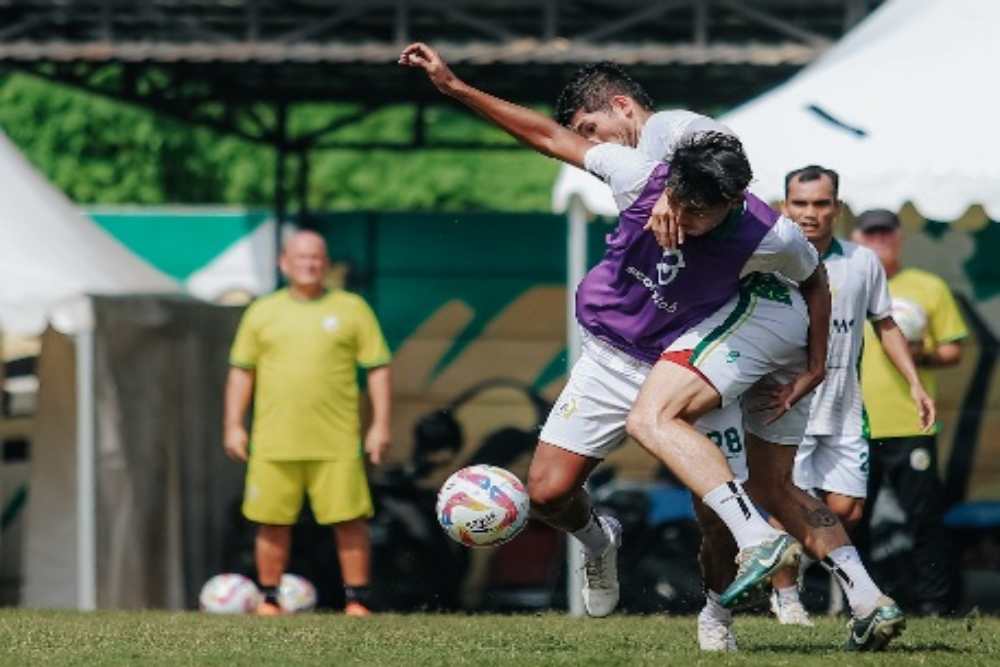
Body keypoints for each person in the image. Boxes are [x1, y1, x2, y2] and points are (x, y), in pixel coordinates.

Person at [399, 44, 849, 639]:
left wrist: (816, 364)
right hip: (610, 358)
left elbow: (729, 155)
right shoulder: (633, 172)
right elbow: (544, 137)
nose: (593, 141)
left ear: (619, 106)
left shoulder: (690, 154)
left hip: (689, 362)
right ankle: (597, 538)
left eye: (591, 127)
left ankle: (716, 618)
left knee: (715, 516)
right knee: (547, 492)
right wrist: (455, 88)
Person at [551, 62, 905, 652]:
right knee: (778, 489)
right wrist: (816, 365)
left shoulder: (668, 135)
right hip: (786, 351)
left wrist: (818, 366)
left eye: (821, 203)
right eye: (801, 201)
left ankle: (736, 581)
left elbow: (814, 279)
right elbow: (816, 282)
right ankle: (869, 598)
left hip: (749, 335)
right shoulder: (748, 219)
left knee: (653, 421)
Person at [759, 167, 935, 626]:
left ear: (837, 208)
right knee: (790, 501)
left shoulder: (861, 262)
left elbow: (885, 323)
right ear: (785, 207)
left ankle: (777, 557)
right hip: (787, 406)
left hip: (843, 407)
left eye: (820, 204)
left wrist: (915, 382)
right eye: (800, 204)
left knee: (846, 510)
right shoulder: (767, 260)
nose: (810, 214)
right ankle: (786, 594)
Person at [224, 229, 392, 616]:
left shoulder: (353, 309)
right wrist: (233, 424)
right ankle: (269, 598)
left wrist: (380, 425)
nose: (309, 264)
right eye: (301, 257)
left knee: (350, 519)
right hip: (274, 440)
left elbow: (378, 369)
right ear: (284, 263)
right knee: (270, 521)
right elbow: (241, 372)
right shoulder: (262, 311)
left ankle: (357, 600)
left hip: (336, 441)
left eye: (316, 257)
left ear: (327, 264)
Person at [853, 209, 967, 616]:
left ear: (900, 237)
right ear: (857, 237)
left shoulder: (927, 286)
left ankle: (935, 603)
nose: (880, 238)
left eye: (887, 231)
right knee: (851, 519)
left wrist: (921, 352)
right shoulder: (845, 282)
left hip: (910, 422)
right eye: (871, 232)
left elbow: (954, 349)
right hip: (852, 424)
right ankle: (860, 602)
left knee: (924, 517)